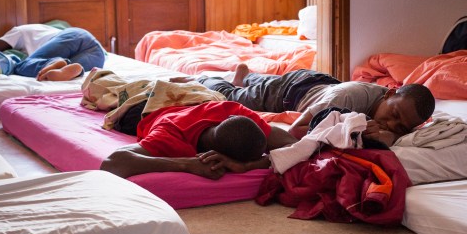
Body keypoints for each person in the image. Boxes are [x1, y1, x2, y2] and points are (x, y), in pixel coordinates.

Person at [173, 64, 436, 146]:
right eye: (393, 115)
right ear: (390, 94)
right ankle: (205, 78)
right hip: (291, 92)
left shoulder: (401, 110)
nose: (390, 123)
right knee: (232, 97)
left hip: (318, 82)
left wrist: (391, 133)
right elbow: (296, 133)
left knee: (258, 84)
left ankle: (247, 75)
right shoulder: (346, 98)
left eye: (399, 126)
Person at [100, 101, 298, 180]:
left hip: (193, 101)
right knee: (117, 103)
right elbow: (112, 162)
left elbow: (294, 146)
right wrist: (187, 164)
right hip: (147, 110)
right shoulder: (169, 137)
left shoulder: (236, 113)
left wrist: (248, 166)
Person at [0, 26, 105, 82]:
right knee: (73, 69)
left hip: (73, 36)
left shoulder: (18, 31)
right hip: (98, 54)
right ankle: (70, 68)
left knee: (21, 66)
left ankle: (59, 63)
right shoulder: (46, 29)